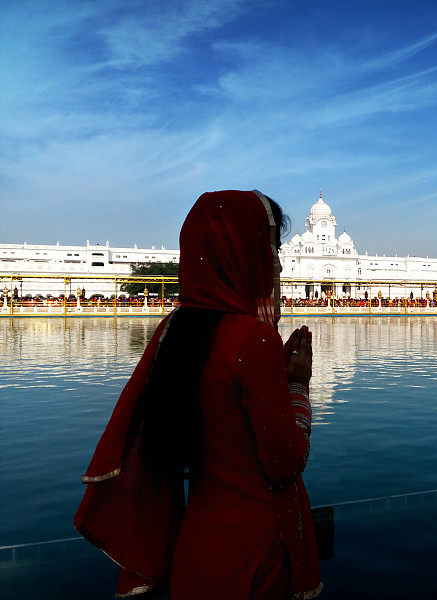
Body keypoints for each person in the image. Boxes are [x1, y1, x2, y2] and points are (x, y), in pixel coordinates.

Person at [74, 190, 321, 599]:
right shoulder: (252, 342)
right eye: (270, 246)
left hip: (198, 545)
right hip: (255, 555)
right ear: (243, 252)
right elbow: (286, 462)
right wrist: (296, 385)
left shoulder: (177, 333)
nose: (276, 262)